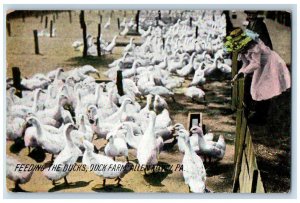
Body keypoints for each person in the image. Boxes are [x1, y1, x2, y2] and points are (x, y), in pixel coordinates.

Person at [225, 28, 291, 123]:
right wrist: (239, 74)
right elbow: (245, 64)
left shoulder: (254, 46)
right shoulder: (243, 49)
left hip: (269, 63)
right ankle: (254, 113)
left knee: (263, 88)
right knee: (255, 89)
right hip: (260, 66)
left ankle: (261, 116)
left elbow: (256, 64)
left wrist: (244, 73)